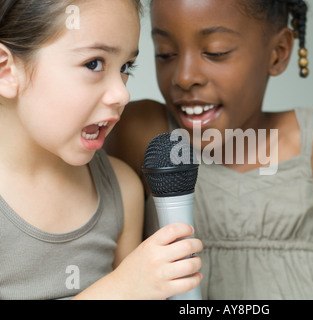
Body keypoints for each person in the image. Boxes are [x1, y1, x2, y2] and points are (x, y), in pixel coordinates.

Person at [105, 0, 313, 300]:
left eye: (216, 51)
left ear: (278, 53)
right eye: (166, 53)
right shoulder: (144, 133)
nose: (184, 77)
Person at [0, 0, 202, 300]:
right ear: (6, 71)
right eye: (93, 63)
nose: (122, 93)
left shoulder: (122, 190)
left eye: (125, 67)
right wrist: (119, 289)